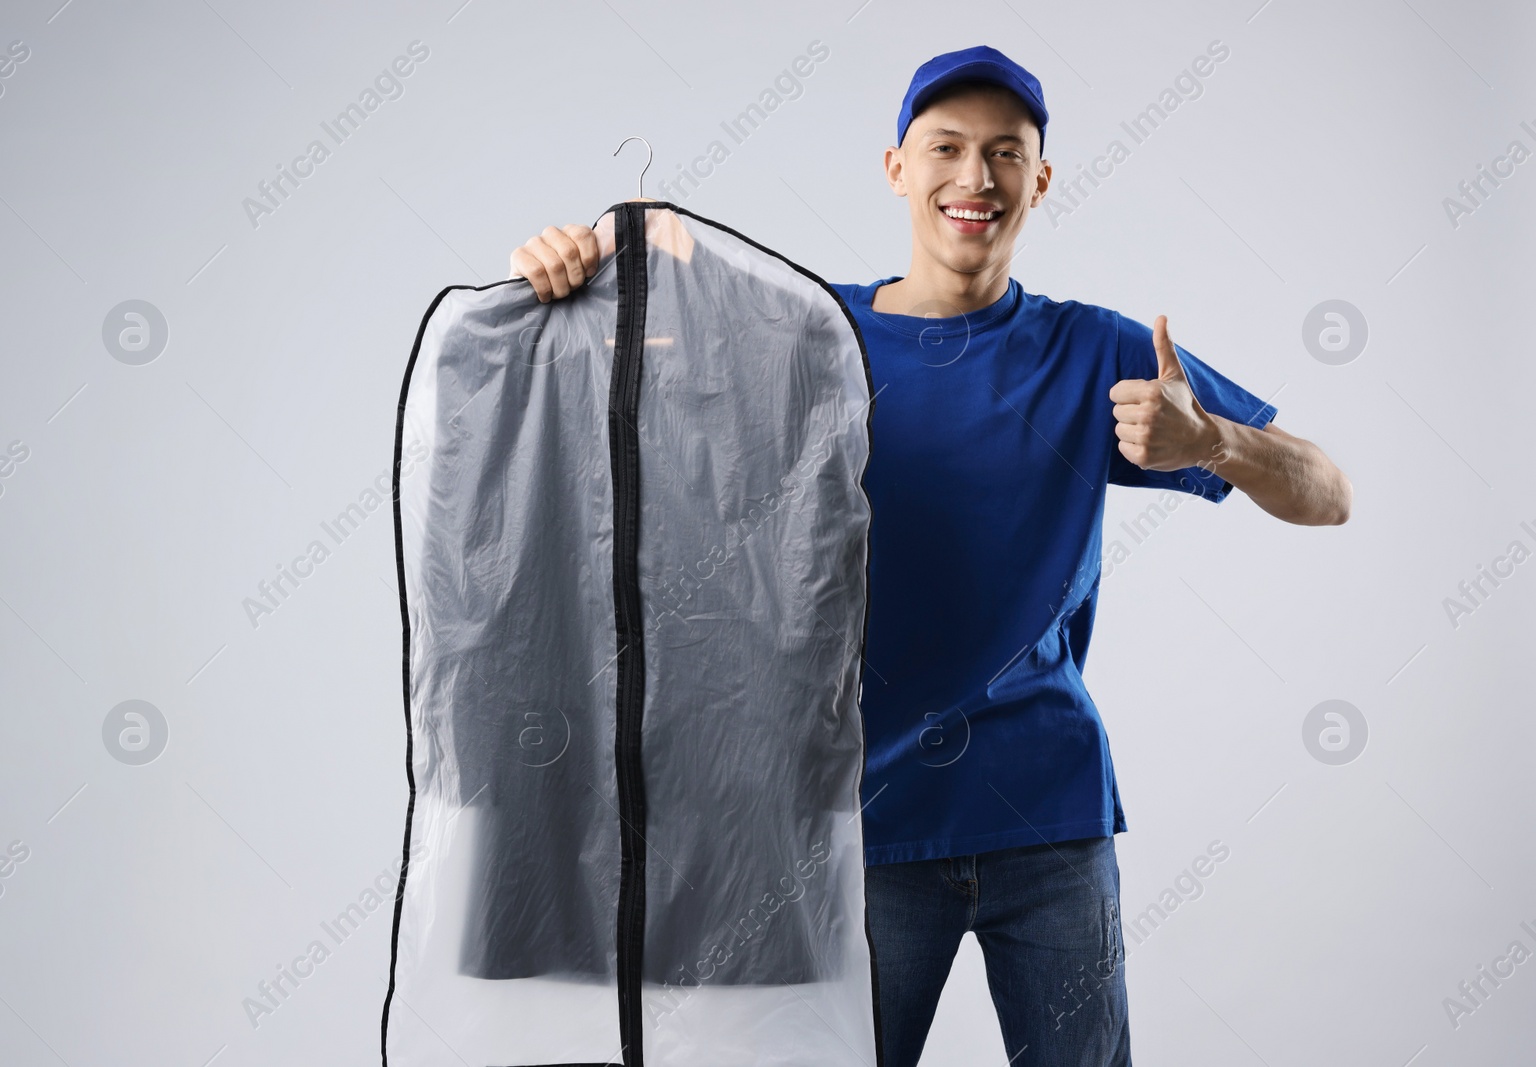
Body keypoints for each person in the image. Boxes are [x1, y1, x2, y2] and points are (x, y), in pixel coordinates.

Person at [508, 44, 1352, 1067]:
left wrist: (1212, 441)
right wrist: (571, 274)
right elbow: (628, 369)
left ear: (1038, 180)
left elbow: (1326, 491)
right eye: (945, 147)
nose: (974, 177)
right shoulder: (809, 337)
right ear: (895, 168)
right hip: (857, 832)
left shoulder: (1096, 352)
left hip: (1048, 823)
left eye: (1005, 153)